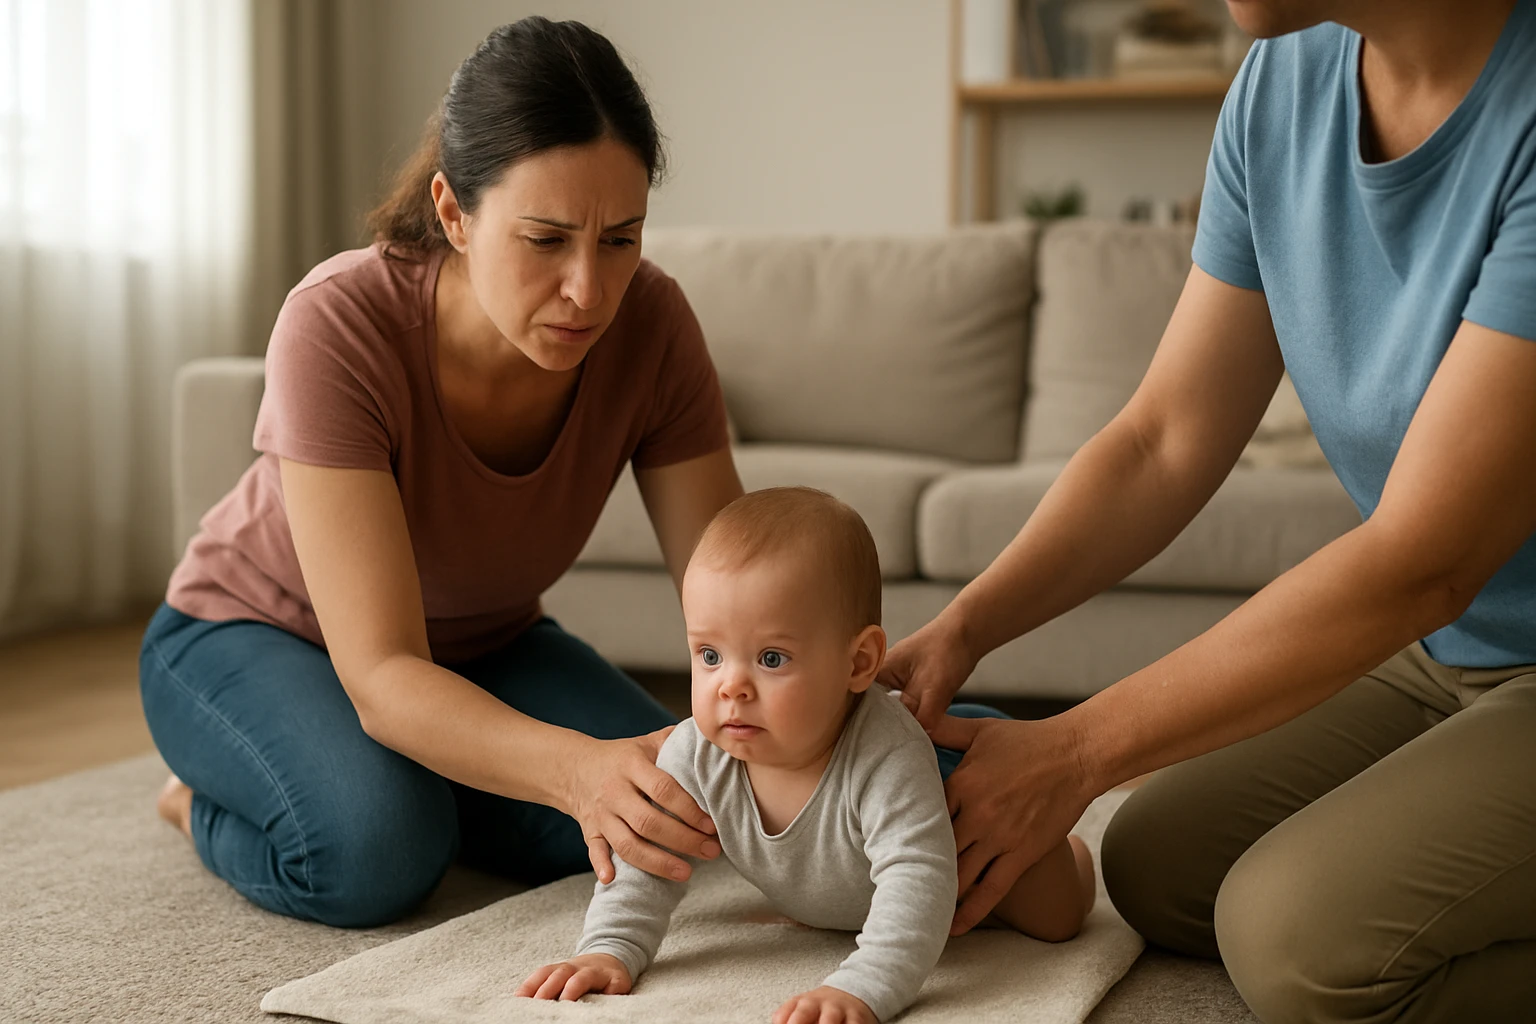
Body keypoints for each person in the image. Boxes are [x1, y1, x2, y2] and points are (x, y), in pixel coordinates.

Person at [881, 1, 1536, 1021]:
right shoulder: (1282, 88)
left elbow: (1425, 555)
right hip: (1444, 651)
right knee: (1156, 862)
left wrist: (1079, 747)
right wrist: (963, 630)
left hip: (1466, 618)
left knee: (1298, 942)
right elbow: (1164, 440)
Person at [138, 17, 745, 927]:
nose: (589, 289)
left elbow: (737, 591)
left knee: (682, 814)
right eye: (545, 240)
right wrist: (570, 770)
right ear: (454, 213)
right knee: (379, 852)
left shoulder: (653, 325)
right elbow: (382, 670)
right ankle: (196, 799)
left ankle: (440, 775)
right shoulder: (340, 322)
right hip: (252, 633)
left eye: (620, 239)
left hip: (485, 646)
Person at [516, 488, 1095, 1024]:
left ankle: (1069, 850)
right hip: (853, 883)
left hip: (960, 818)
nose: (731, 687)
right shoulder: (698, 751)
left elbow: (918, 880)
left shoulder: (884, 755)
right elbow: (647, 855)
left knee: (1053, 917)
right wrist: (610, 949)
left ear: (859, 663)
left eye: (771, 659)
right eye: (710, 655)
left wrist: (863, 986)